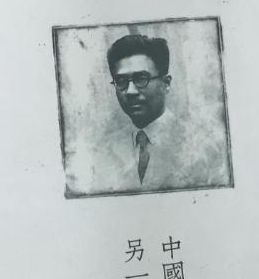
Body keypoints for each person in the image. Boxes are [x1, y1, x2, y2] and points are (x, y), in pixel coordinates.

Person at [89, 33, 230, 193]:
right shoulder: (102, 151)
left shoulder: (201, 146)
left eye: (141, 79)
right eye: (121, 82)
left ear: (166, 84)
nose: (130, 91)